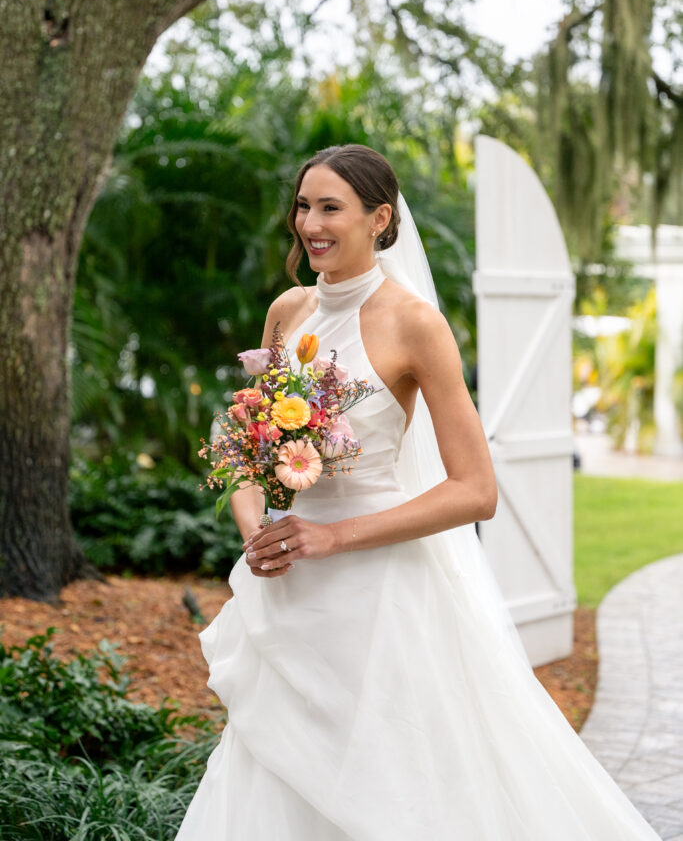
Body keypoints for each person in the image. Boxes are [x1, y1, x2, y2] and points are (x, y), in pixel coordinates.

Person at [175, 144, 661, 840]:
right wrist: (256, 531)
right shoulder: (286, 313)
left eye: (329, 207)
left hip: (378, 589)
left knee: (387, 776)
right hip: (289, 585)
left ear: (379, 219)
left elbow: (474, 490)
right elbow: (248, 452)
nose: (309, 222)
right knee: (272, 765)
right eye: (303, 206)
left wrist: (333, 536)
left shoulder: (415, 324)